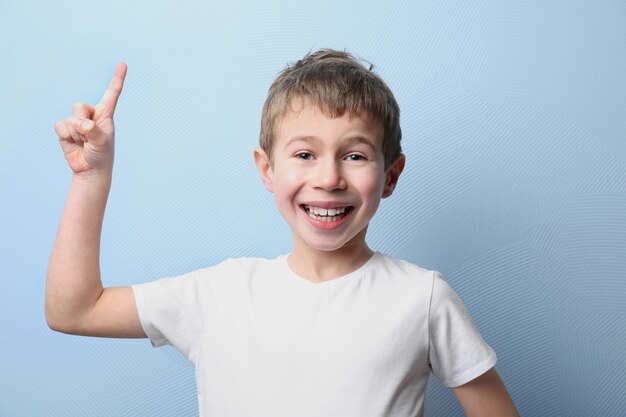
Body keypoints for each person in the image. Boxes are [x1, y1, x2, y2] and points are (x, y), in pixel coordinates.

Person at [47, 49, 519, 417]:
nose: (329, 178)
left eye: (354, 155)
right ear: (266, 169)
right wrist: (91, 178)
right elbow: (74, 311)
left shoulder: (424, 298)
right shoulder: (220, 294)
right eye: (305, 155)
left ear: (391, 175)